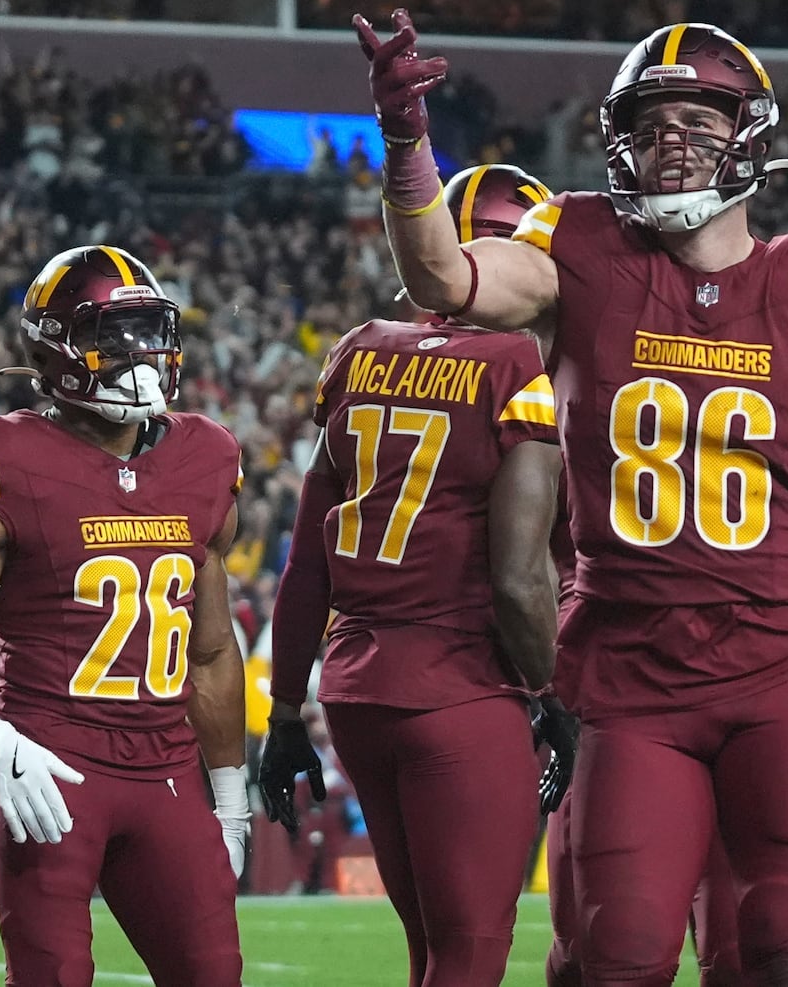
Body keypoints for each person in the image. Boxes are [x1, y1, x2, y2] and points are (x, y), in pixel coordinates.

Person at [351, 11, 788, 983]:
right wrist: (404, 140)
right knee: (618, 948)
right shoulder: (582, 243)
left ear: (751, 132)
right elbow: (443, 271)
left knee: (777, 952)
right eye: (650, 120)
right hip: (632, 670)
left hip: (783, 668)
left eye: (697, 118)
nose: (670, 139)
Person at [259, 162, 576, 986]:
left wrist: (286, 708)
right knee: (470, 951)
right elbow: (518, 580)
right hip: (461, 688)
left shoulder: (358, 353)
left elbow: (306, 563)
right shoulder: (514, 365)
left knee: (430, 950)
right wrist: (552, 692)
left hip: (357, 691)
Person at [0, 245, 247, 986]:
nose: (140, 355)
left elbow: (213, 651)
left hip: (168, 770)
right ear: (54, 348)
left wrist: (230, 793)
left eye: (149, 330)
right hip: (50, 765)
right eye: (110, 337)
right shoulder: (2, 456)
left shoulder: (206, 455)